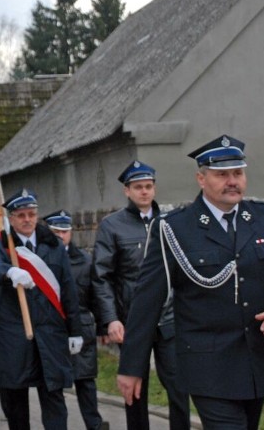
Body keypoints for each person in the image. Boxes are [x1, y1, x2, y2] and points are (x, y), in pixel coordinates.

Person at [118, 135, 264, 430]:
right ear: (201, 178)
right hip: (207, 366)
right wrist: (132, 367)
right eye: (222, 174)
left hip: (258, 361)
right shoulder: (174, 228)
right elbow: (148, 299)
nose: (232, 181)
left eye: (237, 173)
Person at [92, 161, 190, 430]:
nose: (144, 192)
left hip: (169, 317)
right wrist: (111, 319)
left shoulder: (170, 223)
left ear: (154, 188)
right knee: (134, 389)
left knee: (179, 386)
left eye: (148, 187)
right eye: (138, 187)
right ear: (127, 191)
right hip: (132, 319)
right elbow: (101, 277)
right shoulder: (112, 226)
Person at [0, 189, 81, 430]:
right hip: (14, 334)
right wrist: (9, 272)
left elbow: (68, 289)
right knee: (15, 401)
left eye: (32, 214)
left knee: (54, 398)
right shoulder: (1, 243)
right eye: (21, 215)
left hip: (50, 331)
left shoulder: (53, 244)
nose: (27, 219)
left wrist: (75, 331)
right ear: (12, 218)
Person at [44, 210, 107, 430]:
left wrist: (103, 326)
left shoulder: (85, 261)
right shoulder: (42, 261)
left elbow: (97, 295)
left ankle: (95, 424)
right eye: (56, 231)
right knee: (54, 384)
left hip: (81, 326)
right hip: (53, 328)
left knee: (85, 381)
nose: (61, 235)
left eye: (65, 231)